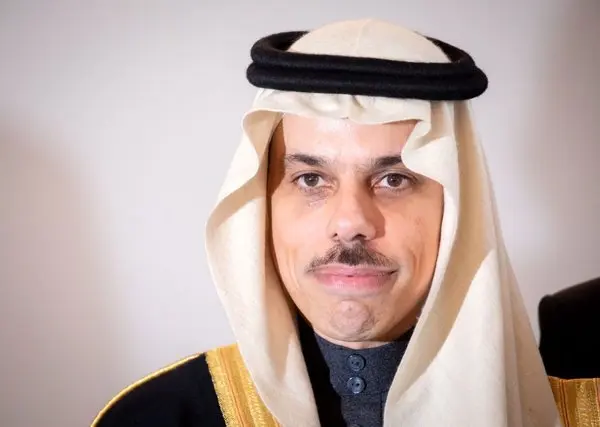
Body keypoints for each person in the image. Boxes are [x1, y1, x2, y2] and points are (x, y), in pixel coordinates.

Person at [91, 19, 598, 427]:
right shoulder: (159, 417)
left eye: (394, 179)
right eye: (311, 179)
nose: (351, 222)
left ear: (456, 211)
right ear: (261, 209)